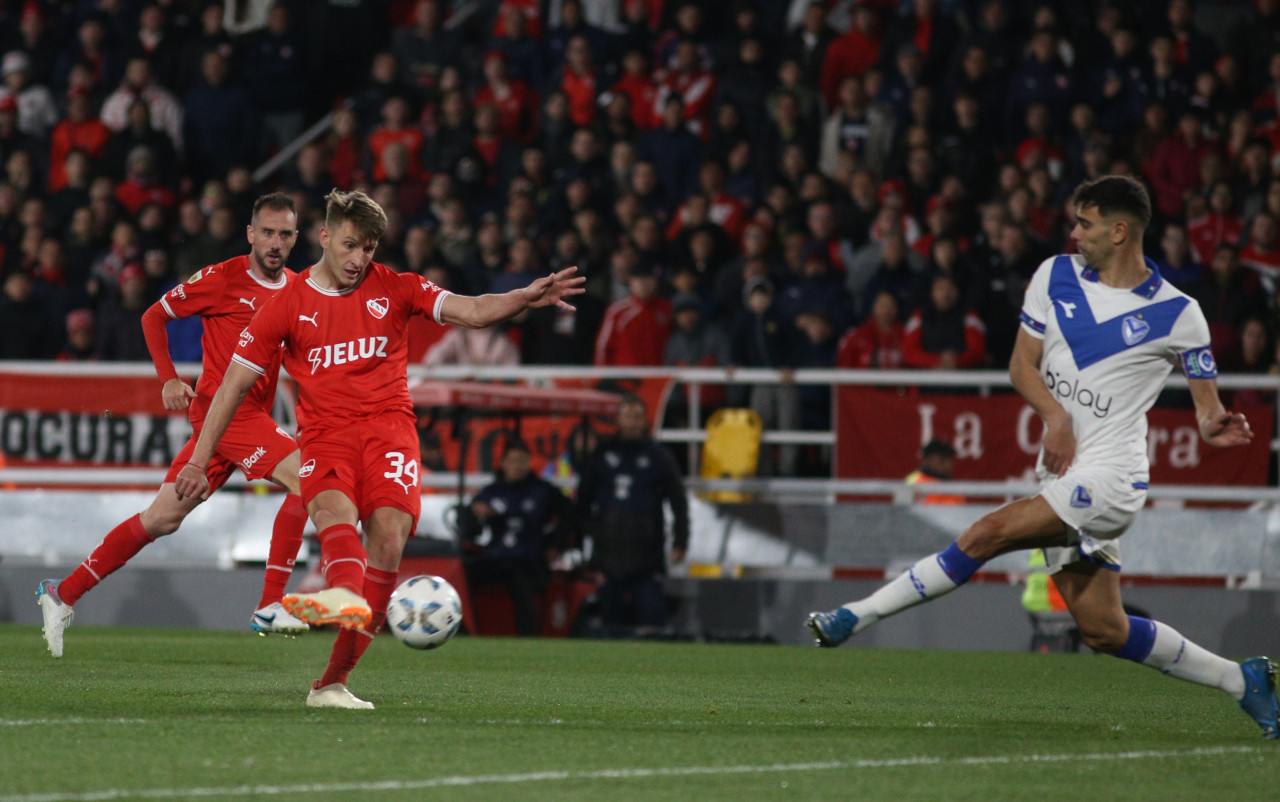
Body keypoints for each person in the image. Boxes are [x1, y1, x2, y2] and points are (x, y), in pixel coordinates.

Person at [806, 176, 1279, 740]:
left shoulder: (1181, 314)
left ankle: (852, 616)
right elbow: (1020, 366)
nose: (1074, 233)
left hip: (1112, 476)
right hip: (1062, 465)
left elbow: (1207, 409)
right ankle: (1242, 680)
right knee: (1104, 629)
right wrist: (1056, 418)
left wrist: (1214, 425)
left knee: (986, 533)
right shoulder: (1054, 276)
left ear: (1120, 230)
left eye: (1086, 223)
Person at [173, 189, 583, 709]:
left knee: (388, 541)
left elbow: (473, 311)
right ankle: (342, 593)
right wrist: (194, 459)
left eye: (368, 248)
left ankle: (331, 683)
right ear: (324, 238)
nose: (358, 259)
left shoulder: (396, 286)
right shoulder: (287, 306)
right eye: (349, 246)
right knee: (331, 511)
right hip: (325, 435)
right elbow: (230, 387)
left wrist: (524, 296)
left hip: (389, 431)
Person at [37, 193, 311, 659]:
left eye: (285, 234)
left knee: (161, 518)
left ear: (296, 239)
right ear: (250, 234)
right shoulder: (222, 279)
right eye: (266, 232)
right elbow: (153, 316)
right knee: (310, 476)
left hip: (243, 422)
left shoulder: (297, 288)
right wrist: (167, 377)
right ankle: (270, 604)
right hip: (224, 415)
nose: (275, 243)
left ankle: (62, 593)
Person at [577, 393, 689, 635]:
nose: (633, 422)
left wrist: (681, 541)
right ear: (617, 419)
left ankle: (656, 673)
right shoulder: (602, 454)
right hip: (608, 556)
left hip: (646, 556)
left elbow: (678, 501)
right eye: (628, 416)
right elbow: (582, 501)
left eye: (638, 416)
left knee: (653, 627)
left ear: (645, 420)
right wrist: (592, 533)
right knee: (609, 628)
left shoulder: (659, 455)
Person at [461, 441, 574, 636]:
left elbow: (571, 516)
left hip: (529, 559)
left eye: (522, 461)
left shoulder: (543, 491)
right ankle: (463, 631)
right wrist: (475, 515)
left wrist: (555, 545)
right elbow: (469, 527)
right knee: (462, 575)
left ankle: (527, 636)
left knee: (522, 581)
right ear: (503, 463)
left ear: (529, 464)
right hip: (495, 557)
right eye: (513, 461)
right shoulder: (490, 491)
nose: (517, 466)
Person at [904, 439, 963, 505]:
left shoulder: (955, 490)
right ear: (927, 460)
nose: (948, 463)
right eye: (942, 458)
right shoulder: (914, 481)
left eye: (950, 459)